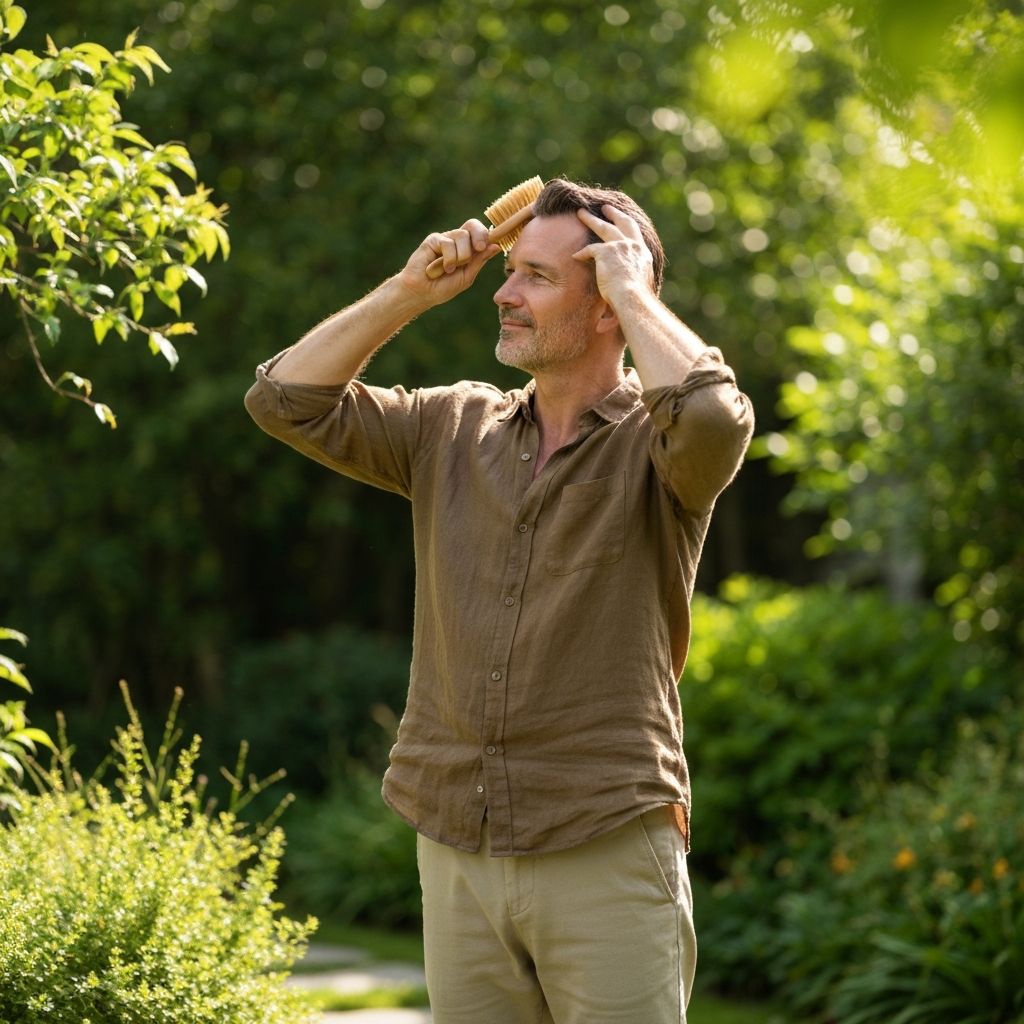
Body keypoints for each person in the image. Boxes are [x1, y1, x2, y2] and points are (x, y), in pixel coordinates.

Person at [244, 177, 754, 1023]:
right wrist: (412, 291)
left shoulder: (661, 451)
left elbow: (712, 417)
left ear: (608, 308)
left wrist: (632, 289)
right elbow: (282, 400)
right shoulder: (450, 427)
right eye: (508, 272)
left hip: (605, 838)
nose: (505, 295)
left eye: (538, 279)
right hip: (456, 843)